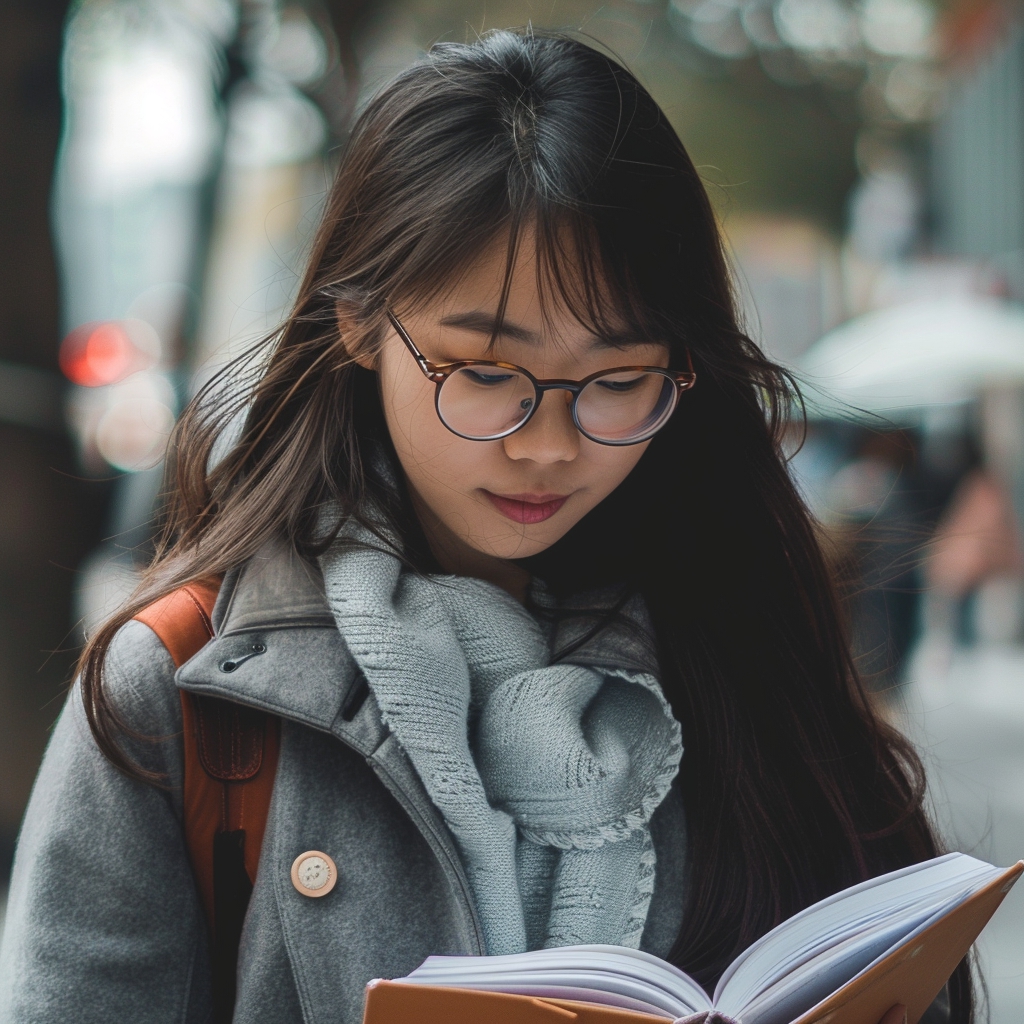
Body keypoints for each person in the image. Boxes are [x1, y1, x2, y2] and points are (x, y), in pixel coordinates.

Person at [0, 30, 963, 1024]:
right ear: (361, 323)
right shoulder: (184, 691)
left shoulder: (742, 647)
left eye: (617, 381)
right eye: (487, 373)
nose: (546, 443)